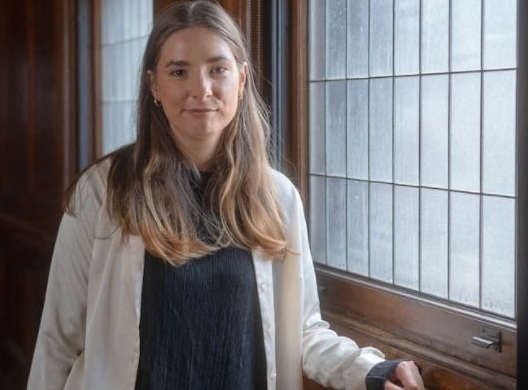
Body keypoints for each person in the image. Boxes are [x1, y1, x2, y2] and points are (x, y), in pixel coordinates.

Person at [27, 1, 425, 389]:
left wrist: (371, 370)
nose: (201, 89)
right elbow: (58, 340)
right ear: (154, 85)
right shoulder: (102, 192)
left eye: (218, 69)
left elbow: (302, 331)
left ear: (242, 78)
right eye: (179, 71)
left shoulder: (277, 197)